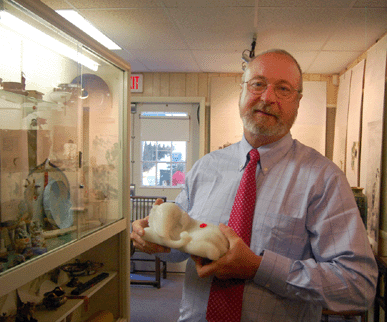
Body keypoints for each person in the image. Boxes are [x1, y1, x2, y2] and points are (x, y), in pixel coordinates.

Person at [131, 49, 378, 321]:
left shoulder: (325, 179)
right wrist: (154, 239)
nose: (267, 97)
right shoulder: (205, 168)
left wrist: (258, 268)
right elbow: (178, 249)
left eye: (283, 89)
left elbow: (358, 286)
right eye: (258, 84)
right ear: (242, 92)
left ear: (298, 101)